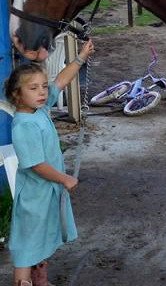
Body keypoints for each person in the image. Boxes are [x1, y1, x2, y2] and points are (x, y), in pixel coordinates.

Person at [5, 39, 95, 286]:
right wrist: (64, 178)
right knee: (26, 247)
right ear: (17, 94)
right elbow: (36, 164)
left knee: (42, 238)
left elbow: (61, 81)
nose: (43, 92)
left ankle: (41, 280)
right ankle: (22, 282)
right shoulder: (24, 125)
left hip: (46, 194)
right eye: (33, 88)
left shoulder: (40, 111)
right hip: (34, 196)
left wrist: (80, 58)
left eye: (43, 87)